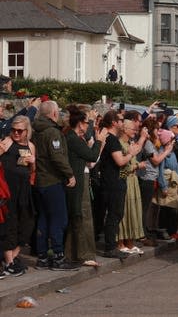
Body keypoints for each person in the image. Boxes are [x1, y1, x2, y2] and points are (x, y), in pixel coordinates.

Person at [32, 100, 80, 270]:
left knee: (44, 218)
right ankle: (58, 257)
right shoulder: (52, 132)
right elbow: (57, 157)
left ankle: (43, 256)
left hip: (40, 180)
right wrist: (70, 174)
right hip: (52, 180)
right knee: (59, 219)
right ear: (53, 113)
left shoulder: (35, 129)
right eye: (58, 112)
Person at [64, 106, 106, 266]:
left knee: (81, 217)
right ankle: (81, 254)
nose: (88, 126)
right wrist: (100, 140)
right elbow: (92, 155)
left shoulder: (74, 137)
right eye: (86, 122)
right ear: (80, 124)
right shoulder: (73, 138)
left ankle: (76, 254)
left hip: (80, 179)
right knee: (80, 217)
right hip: (76, 183)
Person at [99, 110, 142, 259]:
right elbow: (120, 161)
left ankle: (111, 245)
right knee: (114, 214)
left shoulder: (111, 138)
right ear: (114, 123)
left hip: (115, 182)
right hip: (113, 183)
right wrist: (131, 153)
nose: (123, 123)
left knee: (116, 213)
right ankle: (110, 247)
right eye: (120, 120)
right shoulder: (111, 140)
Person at [0, 116, 36, 276]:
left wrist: (33, 161)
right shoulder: (7, 142)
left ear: (27, 131)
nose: (15, 133)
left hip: (24, 189)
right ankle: (9, 262)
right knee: (10, 224)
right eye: (13, 130)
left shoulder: (30, 145)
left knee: (28, 222)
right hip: (8, 190)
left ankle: (12, 258)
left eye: (19, 131)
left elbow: (32, 170)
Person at [137, 117, 172, 246]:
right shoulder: (147, 143)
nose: (158, 132)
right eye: (157, 129)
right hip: (146, 178)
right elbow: (156, 160)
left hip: (151, 178)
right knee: (144, 208)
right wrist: (167, 151)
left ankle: (144, 231)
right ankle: (141, 234)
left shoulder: (152, 143)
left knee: (146, 208)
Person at [116, 119, 147, 254]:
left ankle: (130, 242)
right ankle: (120, 242)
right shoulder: (119, 143)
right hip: (125, 179)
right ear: (124, 130)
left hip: (133, 180)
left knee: (133, 210)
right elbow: (122, 165)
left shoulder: (129, 143)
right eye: (132, 129)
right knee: (124, 210)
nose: (135, 131)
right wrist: (137, 166)